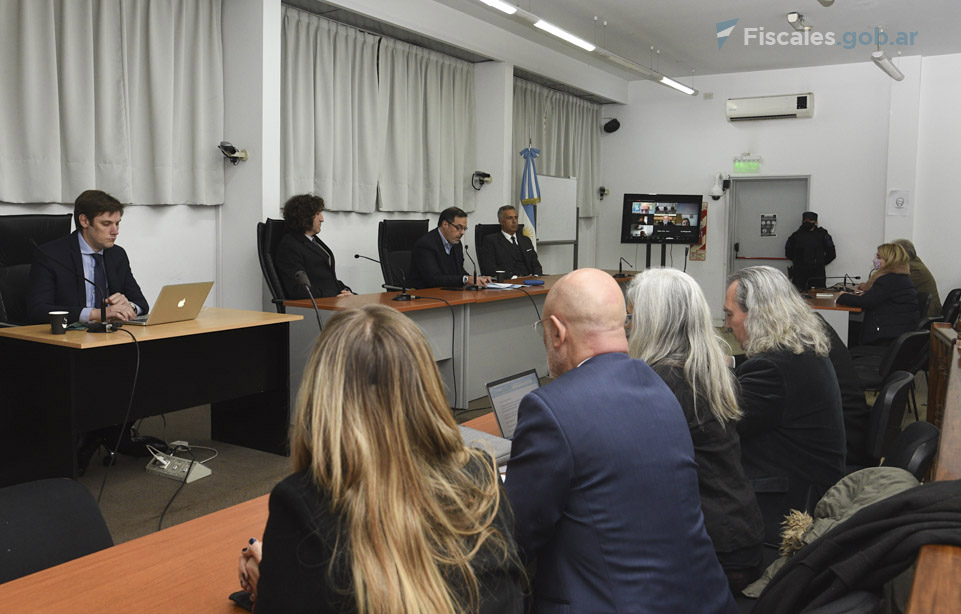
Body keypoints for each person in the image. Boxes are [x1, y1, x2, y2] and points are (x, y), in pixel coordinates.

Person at [237, 305, 524, 613]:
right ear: (426, 388)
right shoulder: (481, 476)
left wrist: (271, 581)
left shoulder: (303, 506)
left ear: (322, 398)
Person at [505, 268, 737, 613]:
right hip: (703, 599)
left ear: (557, 331)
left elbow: (516, 534)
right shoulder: (659, 386)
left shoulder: (550, 408)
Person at [626, 269, 764, 591]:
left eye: (632, 318)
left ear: (651, 322)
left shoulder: (663, 381)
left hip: (713, 550)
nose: (628, 328)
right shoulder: (704, 366)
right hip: (737, 530)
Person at [724, 266, 846, 543]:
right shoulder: (798, 350)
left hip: (789, 510)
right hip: (811, 487)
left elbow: (721, 426)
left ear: (756, 315)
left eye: (730, 314)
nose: (728, 325)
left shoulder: (772, 368)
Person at [27, 189, 149, 325]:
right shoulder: (51, 255)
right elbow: (38, 310)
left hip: (110, 333)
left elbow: (141, 303)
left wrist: (129, 307)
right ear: (84, 221)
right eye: (106, 224)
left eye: (117, 223)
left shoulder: (117, 254)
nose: (115, 231)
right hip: (70, 334)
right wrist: (95, 314)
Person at [837, 243, 918, 345]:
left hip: (887, 335)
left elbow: (865, 302)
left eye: (879, 257)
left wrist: (843, 295)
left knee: (845, 331)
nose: (875, 260)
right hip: (899, 329)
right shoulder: (902, 277)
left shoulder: (888, 279)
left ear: (889, 260)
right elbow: (876, 298)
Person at [274, 194, 352, 299]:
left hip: (330, 299)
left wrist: (346, 291)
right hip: (317, 304)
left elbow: (327, 279)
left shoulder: (312, 240)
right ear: (304, 216)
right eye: (317, 214)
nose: (322, 219)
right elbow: (299, 290)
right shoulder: (289, 246)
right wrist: (335, 296)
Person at [408, 206, 490, 288]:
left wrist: (476, 279)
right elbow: (434, 279)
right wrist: (465, 279)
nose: (462, 232)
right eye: (459, 228)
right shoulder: (426, 245)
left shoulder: (457, 244)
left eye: (464, 228)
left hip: (448, 291)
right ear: (445, 225)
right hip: (425, 293)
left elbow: (460, 272)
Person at [478, 205, 542, 278]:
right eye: (510, 218)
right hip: (508, 281)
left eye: (516, 218)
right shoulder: (491, 241)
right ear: (500, 221)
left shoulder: (525, 240)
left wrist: (535, 276)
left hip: (530, 280)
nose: (514, 221)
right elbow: (490, 269)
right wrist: (514, 278)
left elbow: (536, 265)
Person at [784, 211, 836, 290]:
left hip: (817, 274)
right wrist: (799, 262)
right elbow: (788, 251)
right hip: (799, 273)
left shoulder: (823, 234)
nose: (807, 222)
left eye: (810, 220)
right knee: (798, 294)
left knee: (818, 294)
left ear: (816, 222)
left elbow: (831, 253)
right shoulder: (795, 235)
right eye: (805, 220)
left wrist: (820, 263)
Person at [893, 238, 941, 317]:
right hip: (918, 309)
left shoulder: (913, 268)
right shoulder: (913, 261)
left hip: (927, 313)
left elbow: (895, 286)